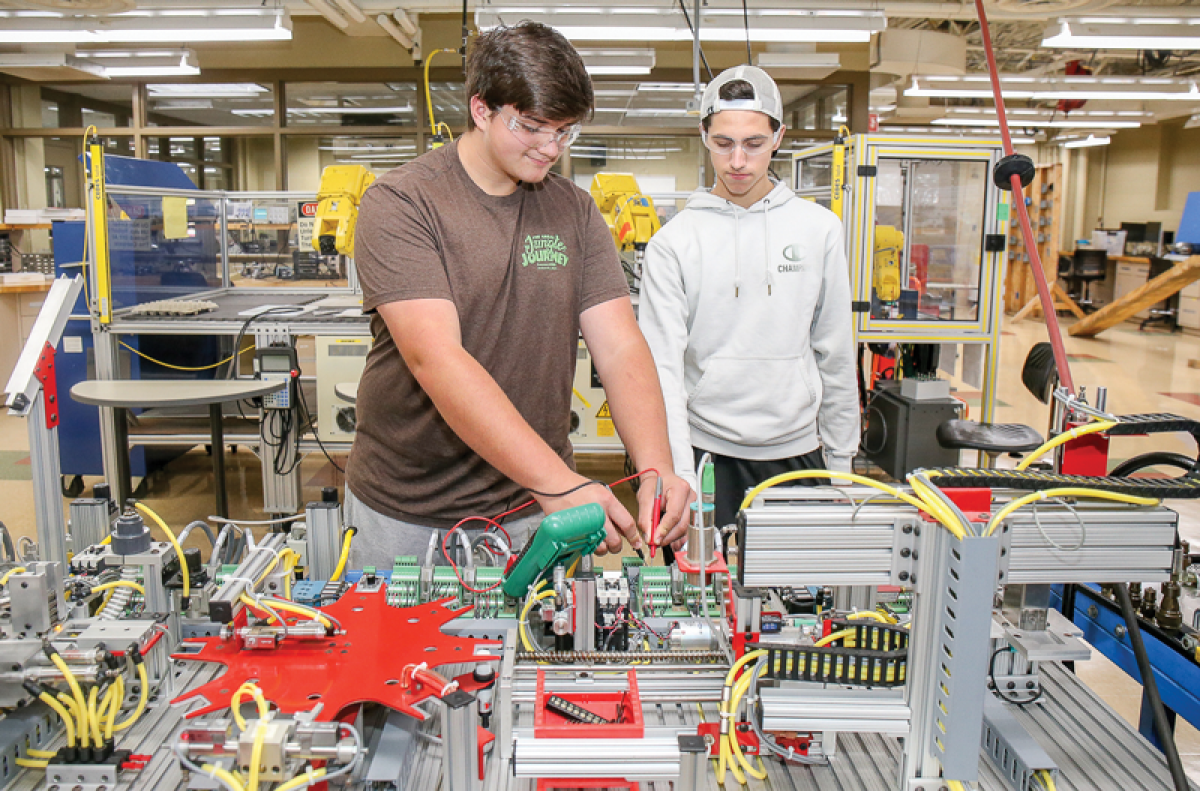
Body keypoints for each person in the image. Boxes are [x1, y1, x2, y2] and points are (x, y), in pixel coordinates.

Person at [344, 21, 692, 568]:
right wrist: (562, 484)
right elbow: (436, 359)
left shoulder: (574, 212)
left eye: (565, 131)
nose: (551, 148)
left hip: (535, 504)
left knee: (540, 646)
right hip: (411, 512)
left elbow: (620, 347)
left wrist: (657, 468)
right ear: (482, 110)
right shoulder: (402, 203)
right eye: (532, 127)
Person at [639, 65, 860, 541]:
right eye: (723, 143)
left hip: (798, 453)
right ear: (704, 136)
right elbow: (663, 372)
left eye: (754, 143)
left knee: (802, 606)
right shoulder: (673, 243)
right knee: (702, 604)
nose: (738, 160)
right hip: (706, 456)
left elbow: (836, 353)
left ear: (778, 136)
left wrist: (841, 464)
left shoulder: (819, 229)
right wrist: (678, 474)